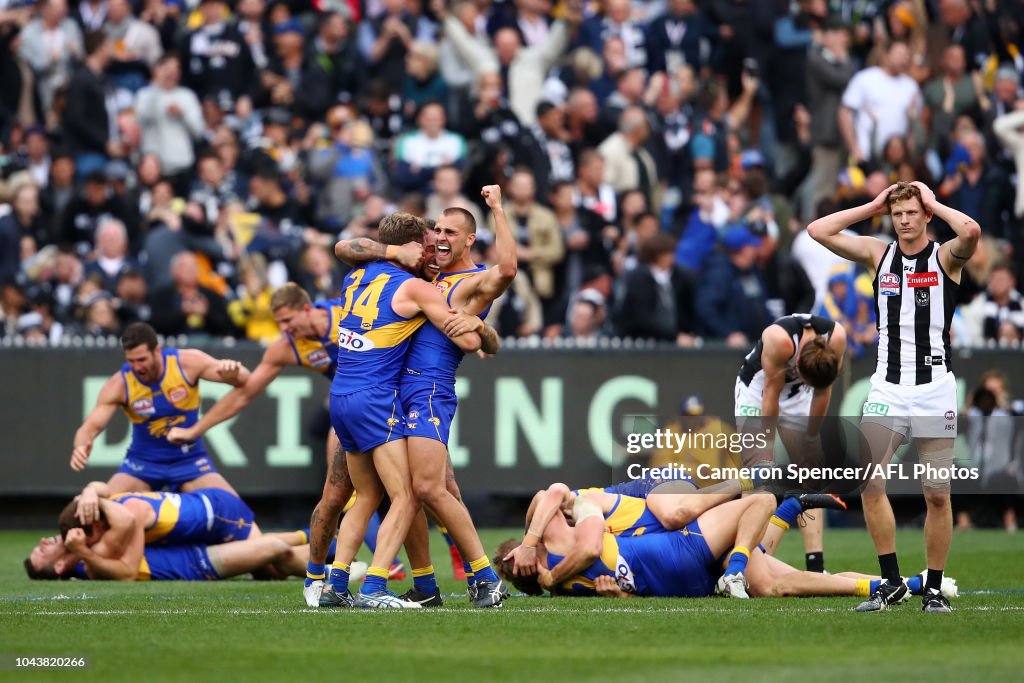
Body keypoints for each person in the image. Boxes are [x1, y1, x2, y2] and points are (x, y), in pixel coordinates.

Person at [167, 283, 409, 606]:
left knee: (424, 486)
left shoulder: (348, 315)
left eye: (287, 321)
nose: (284, 330)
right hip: (350, 409)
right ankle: (325, 576)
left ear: (307, 309)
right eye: (278, 323)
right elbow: (246, 392)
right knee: (338, 494)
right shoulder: (287, 346)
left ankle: (447, 569)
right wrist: (197, 428)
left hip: (392, 400)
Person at [332, 186, 516, 608]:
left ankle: (485, 577)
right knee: (407, 492)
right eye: (436, 230)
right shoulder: (425, 275)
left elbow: (506, 271)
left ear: (470, 239)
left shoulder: (470, 282)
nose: (440, 236)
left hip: (429, 390)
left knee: (428, 488)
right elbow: (345, 246)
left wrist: (497, 210)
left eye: (450, 230)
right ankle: (426, 584)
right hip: (392, 391)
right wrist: (394, 252)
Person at [808, 180, 981, 613]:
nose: (903, 221)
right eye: (897, 214)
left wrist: (935, 202)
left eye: (911, 213)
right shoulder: (877, 253)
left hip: (934, 387)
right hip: (887, 384)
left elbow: (972, 231)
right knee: (870, 482)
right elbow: (818, 230)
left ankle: (935, 588)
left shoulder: (944, 257)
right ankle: (891, 583)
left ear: (924, 216)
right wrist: (871, 204)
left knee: (937, 494)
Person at [69, 322, 250, 495]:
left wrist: (233, 374)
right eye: (131, 361)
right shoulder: (120, 384)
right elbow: (88, 428)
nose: (136, 367)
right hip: (141, 464)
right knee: (102, 515)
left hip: (190, 459)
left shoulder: (186, 363)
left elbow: (246, 379)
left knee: (236, 516)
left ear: (157, 351)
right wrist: (80, 445)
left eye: (142, 359)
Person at [734, 313, 847, 573]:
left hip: (797, 395)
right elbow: (770, 399)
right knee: (757, 475)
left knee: (812, 474)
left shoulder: (836, 338)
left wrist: (810, 439)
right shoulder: (779, 340)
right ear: (797, 366)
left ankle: (815, 565)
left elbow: (822, 393)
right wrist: (765, 450)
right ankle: (745, 564)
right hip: (759, 391)